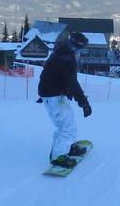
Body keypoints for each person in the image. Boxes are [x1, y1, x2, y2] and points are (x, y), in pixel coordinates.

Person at [38, 31, 92, 167]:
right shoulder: (66, 58)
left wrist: (65, 91)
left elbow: (55, 75)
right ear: (76, 46)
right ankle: (58, 156)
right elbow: (72, 83)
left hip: (54, 93)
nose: (80, 51)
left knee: (68, 122)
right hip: (53, 95)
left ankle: (68, 146)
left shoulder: (62, 52)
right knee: (66, 126)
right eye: (81, 48)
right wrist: (84, 103)